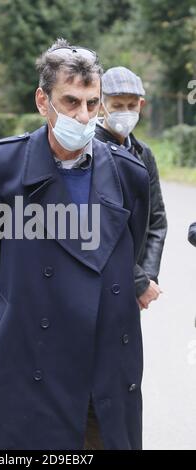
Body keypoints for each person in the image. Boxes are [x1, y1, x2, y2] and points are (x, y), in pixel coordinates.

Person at [0, 38, 149, 450]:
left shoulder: (129, 173)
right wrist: (20, 310)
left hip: (103, 367)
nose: (83, 116)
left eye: (92, 102)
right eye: (70, 102)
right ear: (43, 101)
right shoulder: (0, 167)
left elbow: (124, 256)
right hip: (28, 360)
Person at [95, 66, 167, 310]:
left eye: (131, 106)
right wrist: (137, 281)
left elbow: (156, 221)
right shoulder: (88, 151)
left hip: (133, 292)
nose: (125, 113)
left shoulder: (143, 154)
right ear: (101, 104)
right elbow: (101, 227)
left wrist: (147, 278)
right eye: (117, 106)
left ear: (141, 105)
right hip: (97, 282)